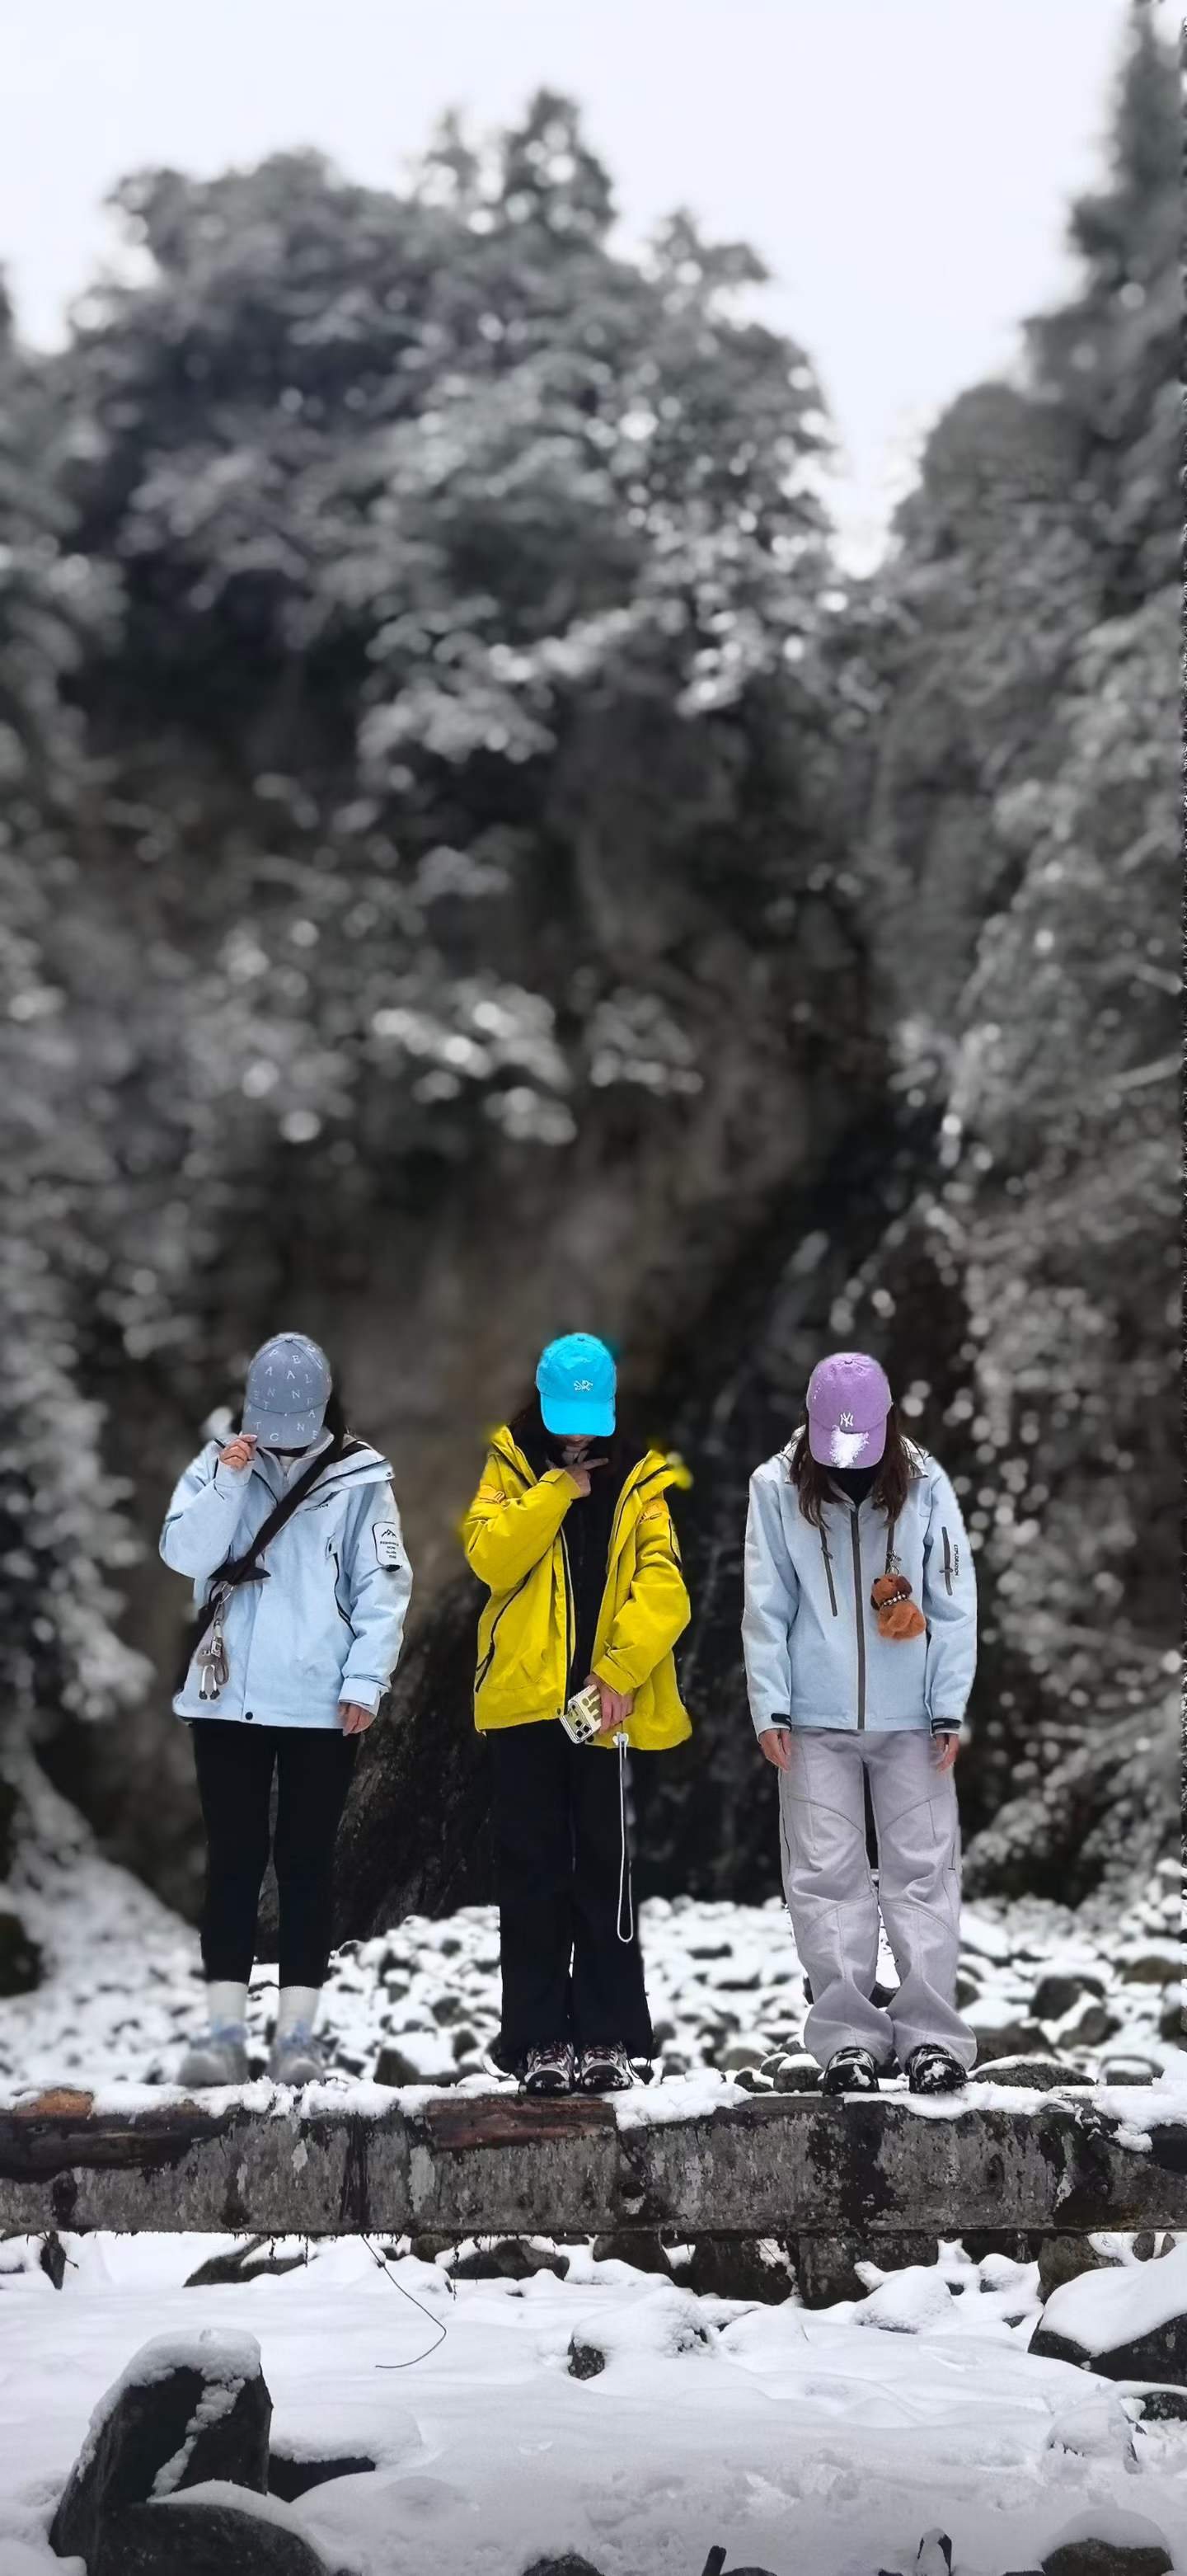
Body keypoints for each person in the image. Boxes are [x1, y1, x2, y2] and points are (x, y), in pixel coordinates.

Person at [161, 1333, 411, 2088]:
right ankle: (222, 2035)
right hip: (226, 1697)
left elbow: (382, 1588)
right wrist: (229, 1484)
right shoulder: (218, 1463)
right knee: (233, 1862)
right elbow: (183, 1556)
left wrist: (365, 1681)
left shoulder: (361, 1478)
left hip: (320, 1703)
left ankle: (297, 2037)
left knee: (306, 1865)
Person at [462, 1331, 692, 2097]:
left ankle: (608, 2036)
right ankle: (536, 2040)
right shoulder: (509, 1464)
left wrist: (620, 1671)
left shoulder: (642, 1477)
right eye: (566, 1421)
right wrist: (556, 1491)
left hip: (607, 1708)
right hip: (524, 1704)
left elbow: (666, 1586)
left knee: (606, 1872)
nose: (577, 1437)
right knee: (531, 1874)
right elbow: (490, 1557)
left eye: (589, 1422)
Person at [742, 1349, 977, 2097]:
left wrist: (949, 1704)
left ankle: (932, 2039)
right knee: (823, 1879)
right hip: (811, 1719)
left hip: (915, 1719)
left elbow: (953, 1603)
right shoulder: (774, 1486)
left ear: (888, 1424)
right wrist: (770, 1705)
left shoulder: (927, 1483)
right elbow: (766, 1605)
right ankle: (848, 2039)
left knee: (925, 1875)